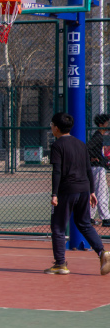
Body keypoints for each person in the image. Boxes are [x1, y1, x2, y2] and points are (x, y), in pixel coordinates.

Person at [46, 112, 110, 275]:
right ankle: (102, 252)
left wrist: (54, 194)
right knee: (84, 223)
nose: (51, 127)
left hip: (67, 190)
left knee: (58, 227)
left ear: (56, 128)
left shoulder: (57, 146)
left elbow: (57, 171)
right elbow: (88, 169)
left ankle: (60, 264)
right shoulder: (81, 144)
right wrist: (92, 191)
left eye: (52, 125)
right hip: (83, 189)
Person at [88, 114, 110, 227]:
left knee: (95, 193)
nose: (108, 124)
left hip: (97, 167)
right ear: (101, 124)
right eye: (107, 123)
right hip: (97, 168)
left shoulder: (99, 136)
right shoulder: (98, 136)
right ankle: (106, 218)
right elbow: (86, 148)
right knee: (101, 193)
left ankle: (89, 217)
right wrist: (92, 157)